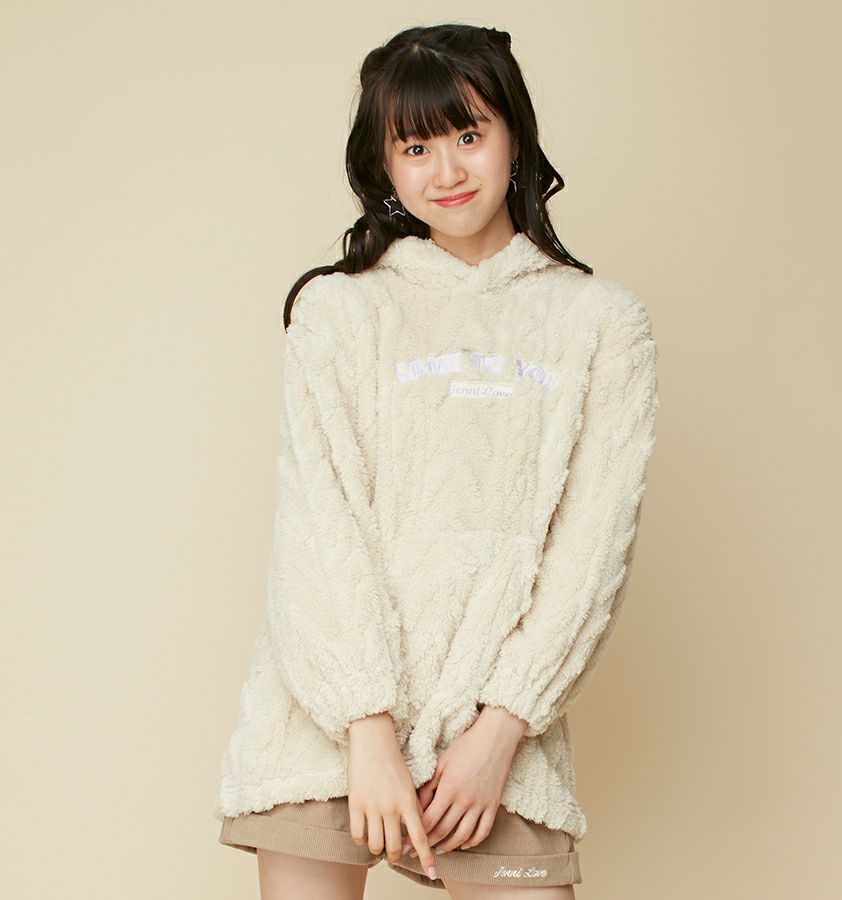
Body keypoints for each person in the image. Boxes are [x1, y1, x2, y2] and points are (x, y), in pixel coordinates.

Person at [214, 23, 660, 899]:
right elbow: (319, 525)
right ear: (383, 165)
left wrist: (500, 732)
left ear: (515, 137)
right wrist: (365, 725)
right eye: (416, 147)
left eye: (468, 134)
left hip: (499, 739)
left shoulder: (601, 324)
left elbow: (592, 551)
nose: (447, 170)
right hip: (326, 723)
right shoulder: (339, 313)